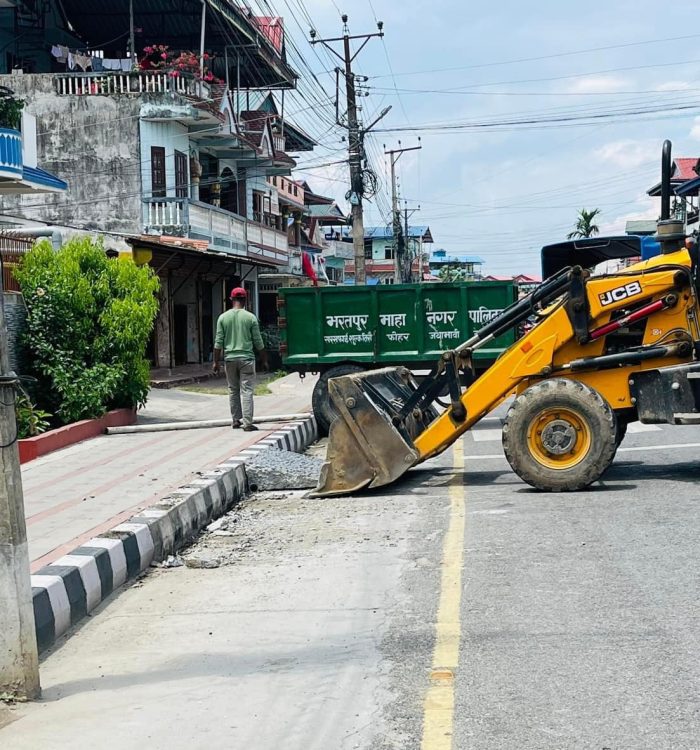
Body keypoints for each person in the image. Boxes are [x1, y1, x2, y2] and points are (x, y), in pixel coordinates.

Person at [213, 287, 267, 431]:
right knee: (247, 390)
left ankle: (236, 420)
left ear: (231, 300)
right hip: (247, 359)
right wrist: (265, 360)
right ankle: (248, 423)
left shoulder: (223, 318)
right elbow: (258, 342)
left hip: (229, 359)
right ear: (245, 300)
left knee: (233, 390)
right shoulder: (250, 318)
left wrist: (215, 362)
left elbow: (218, 342)